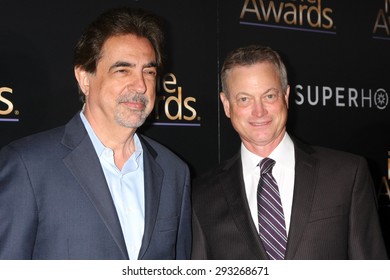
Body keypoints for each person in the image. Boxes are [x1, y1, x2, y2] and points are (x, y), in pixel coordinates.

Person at [0, 7, 191, 260]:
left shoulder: (174, 172)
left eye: (149, 71)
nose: (141, 85)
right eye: (123, 70)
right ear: (84, 78)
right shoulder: (28, 167)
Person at [191, 45, 388, 260]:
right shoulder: (202, 195)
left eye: (269, 96)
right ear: (227, 105)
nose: (259, 111)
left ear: (286, 95)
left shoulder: (346, 175)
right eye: (244, 99)